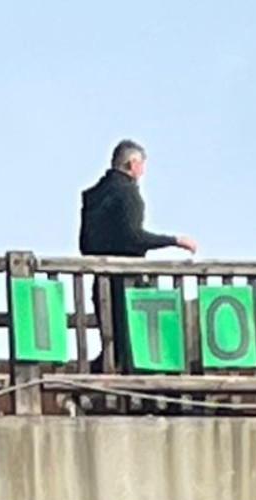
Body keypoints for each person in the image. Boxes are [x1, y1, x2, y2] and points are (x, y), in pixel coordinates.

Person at [78, 139, 195, 372]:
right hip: (126, 281)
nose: (142, 171)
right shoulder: (128, 193)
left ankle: (92, 386)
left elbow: (85, 244)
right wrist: (173, 240)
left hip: (100, 282)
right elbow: (134, 237)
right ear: (132, 164)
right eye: (141, 165)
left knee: (112, 345)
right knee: (137, 345)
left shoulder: (93, 196)